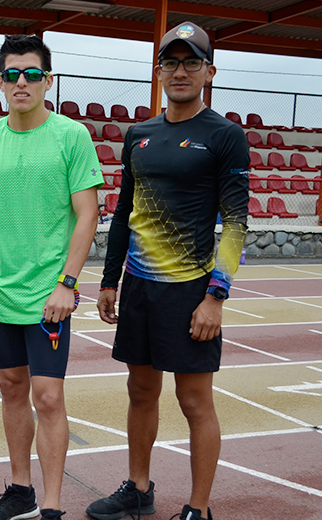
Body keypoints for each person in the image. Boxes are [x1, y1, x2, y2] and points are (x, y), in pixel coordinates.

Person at [86, 22, 249, 520]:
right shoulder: (140, 134)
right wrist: (110, 279)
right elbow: (124, 213)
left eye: (191, 62)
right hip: (138, 286)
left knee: (194, 400)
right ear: (158, 71)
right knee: (140, 389)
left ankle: (198, 509)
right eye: (171, 63)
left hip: (189, 289)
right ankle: (138, 487)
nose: (180, 71)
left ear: (209, 71)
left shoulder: (224, 135)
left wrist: (215, 297)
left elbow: (237, 223)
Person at [0, 35, 102, 520]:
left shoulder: (71, 136)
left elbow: (87, 214)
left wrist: (68, 283)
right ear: (0, 82)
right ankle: (19, 490)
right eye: (13, 74)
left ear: (48, 81)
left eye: (32, 74)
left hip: (48, 296)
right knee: (12, 387)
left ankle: (52, 506)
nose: (22, 82)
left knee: (48, 395)